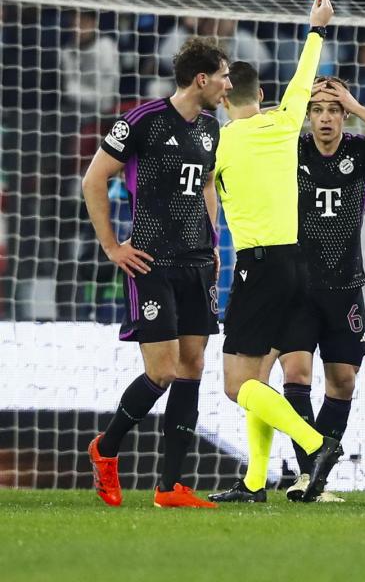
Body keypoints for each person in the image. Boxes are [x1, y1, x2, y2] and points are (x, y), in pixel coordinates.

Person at [83, 36, 229, 509]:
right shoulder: (142, 121)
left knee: (193, 367)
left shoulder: (211, 128)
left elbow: (207, 182)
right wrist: (111, 246)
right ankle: (105, 449)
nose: (229, 85)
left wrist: (214, 239)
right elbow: (93, 178)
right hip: (150, 262)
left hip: (195, 262)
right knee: (162, 371)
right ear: (202, 79)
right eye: (224, 76)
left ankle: (170, 487)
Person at [208, 0, 341, 504]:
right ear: (261, 94)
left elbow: (199, 196)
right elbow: (304, 78)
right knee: (260, 378)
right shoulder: (286, 122)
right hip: (296, 266)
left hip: (257, 267)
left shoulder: (222, 142)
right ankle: (255, 483)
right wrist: (317, 28)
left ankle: (315, 443)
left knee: (236, 384)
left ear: (225, 99)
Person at [262, 75, 365, 503]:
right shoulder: (292, 149)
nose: (325, 118)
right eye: (318, 110)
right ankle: (307, 473)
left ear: (344, 114)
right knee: (295, 374)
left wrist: (357, 104)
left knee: (342, 381)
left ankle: (318, 474)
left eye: (333, 110)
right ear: (307, 116)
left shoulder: (361, 150)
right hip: (296, 285)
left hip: (345, 284)